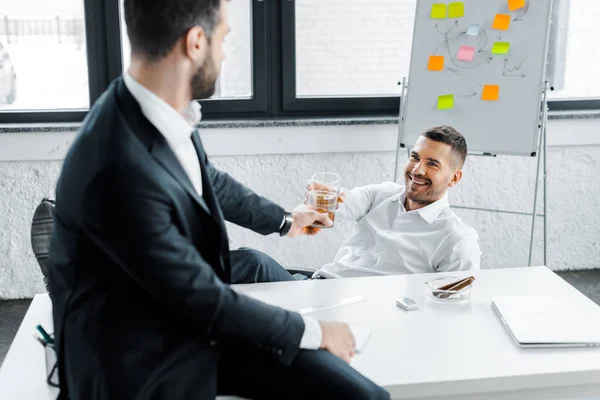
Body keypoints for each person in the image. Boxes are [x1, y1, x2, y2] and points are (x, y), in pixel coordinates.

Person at [47, 0, 390, 399]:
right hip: (142, 357)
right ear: (196, 42)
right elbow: (201, 298)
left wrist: (284, 220)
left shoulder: (152, 107)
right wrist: (311, 331)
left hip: (179, 317)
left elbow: (205, 177)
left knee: (363, 394)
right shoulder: (118, 167)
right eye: (223, 38)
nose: (224, 52)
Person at [314, 125, 481, 279]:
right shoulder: (382, 194)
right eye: (415, 157)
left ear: (454, 178)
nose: (417, 170)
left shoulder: (457, 241)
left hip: (357, 307)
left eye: (432, 164)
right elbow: (342, 203)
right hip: (319, 283)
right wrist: (320, 199)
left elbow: (453, 303)